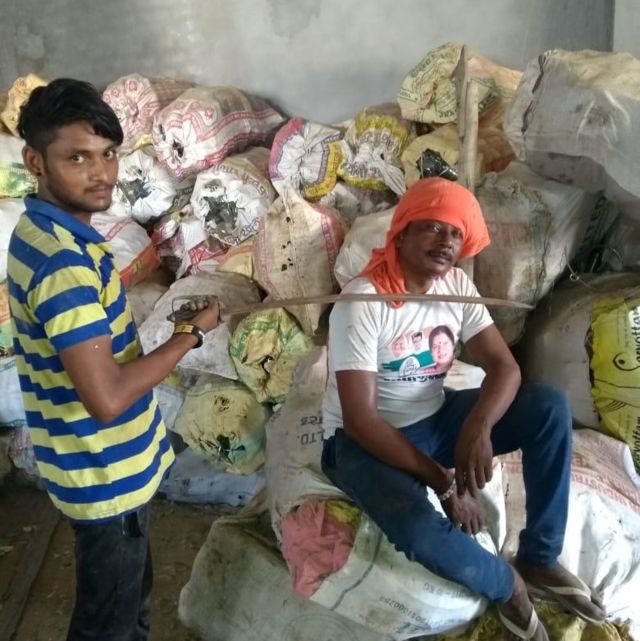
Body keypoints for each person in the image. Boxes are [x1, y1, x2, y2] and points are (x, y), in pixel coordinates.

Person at [321, 178, 606, 641]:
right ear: (401, 234)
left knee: (548, 407)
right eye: (432, 227)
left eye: (456, 233)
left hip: (436, 418)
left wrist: (478, 426)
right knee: (417, 528)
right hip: (364, 443)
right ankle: (508, 586)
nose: (446, 241)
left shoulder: (454, 284)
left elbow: (505, 368)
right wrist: (445, 482)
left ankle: (539, 556)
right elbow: (361, 421)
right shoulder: (363, 302)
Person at [6, 78, 219, 641]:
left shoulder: (43, 232)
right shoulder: (63, 265)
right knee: (110, 623)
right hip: (104, 470)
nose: (101, 173)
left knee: (126, 603)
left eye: (108, 154)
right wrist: (189, 336)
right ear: (35, 161)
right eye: (77, 158)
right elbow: (107, 397)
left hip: (91, 461)